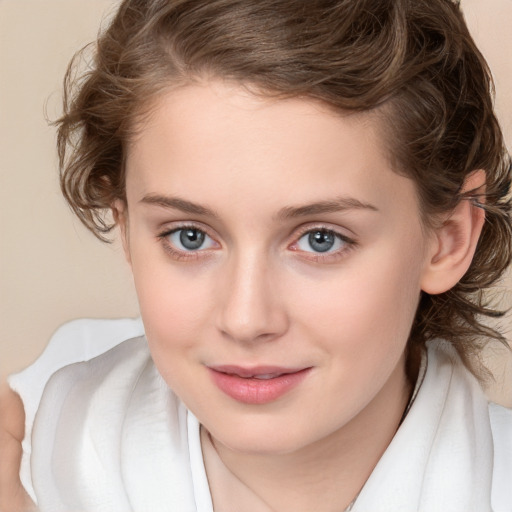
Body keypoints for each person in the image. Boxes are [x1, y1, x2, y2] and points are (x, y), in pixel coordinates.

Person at [1, 0, 512, 510]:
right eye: (190, 237)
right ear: (127, 225)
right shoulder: (31, 445)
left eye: (320, 240)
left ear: (447, 240)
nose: (246, 320)